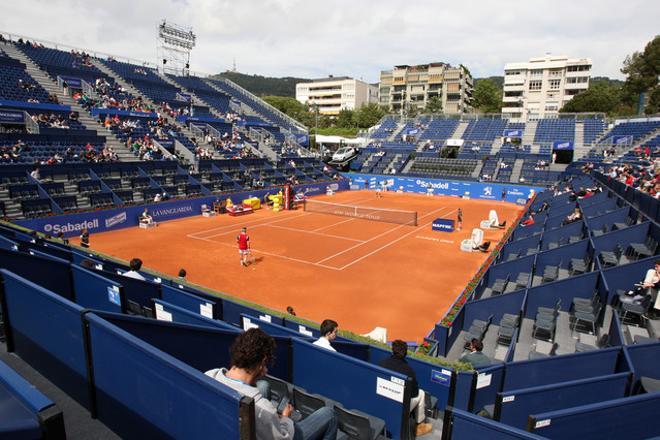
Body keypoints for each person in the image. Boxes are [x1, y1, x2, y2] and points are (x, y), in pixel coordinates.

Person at [205, 328, 337, 440]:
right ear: (262, 362)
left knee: (263, 385)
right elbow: (283, 437)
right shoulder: (262, 409)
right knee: (329, 414)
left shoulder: (210, 375)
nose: (266, 371)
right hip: (276, 431)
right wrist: (285, 419)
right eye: (266, 365)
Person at [378, 340, 433, 437]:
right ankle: (419, 426)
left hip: (381, 402)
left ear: (392, 350)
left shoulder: (381, 363)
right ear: (406, 353)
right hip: (399, 408)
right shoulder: (409, 371)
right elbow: (414, 393)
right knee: (421, 393)